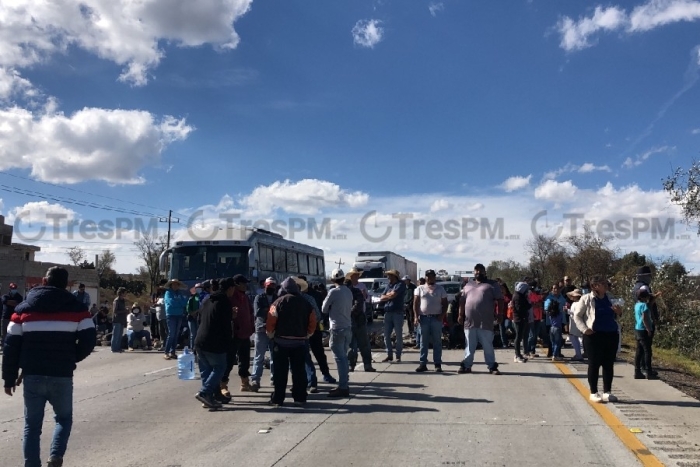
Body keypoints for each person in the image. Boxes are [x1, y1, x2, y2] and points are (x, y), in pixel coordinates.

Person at [2, 266, 96, 467]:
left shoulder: (22, 310)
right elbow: (89, 341)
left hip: (32, 375)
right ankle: (55, 457)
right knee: (63, 419)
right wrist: (70, 358)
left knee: (32, 426)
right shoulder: (78, 310)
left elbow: (10, 346)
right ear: (67, 285)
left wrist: (9, 378)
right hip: (61, 375)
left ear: (44, 282)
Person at [267, 277, 316, 407]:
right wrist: (307, 335)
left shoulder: (277, 303)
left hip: (280, 342)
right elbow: (313, 321)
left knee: (280, 373)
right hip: (299, 343)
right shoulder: (305, 303)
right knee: (299, 372)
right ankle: (300, 397)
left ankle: (278, 398)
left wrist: (271, 335)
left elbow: (270, 321)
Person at [574, 275, 623, 403]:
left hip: (611, 334)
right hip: (593, 336)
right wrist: (584, 329)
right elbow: (577, 316)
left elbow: (618, 314)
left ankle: (607, 392)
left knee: (608, 364)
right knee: (594, 364)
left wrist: (619, 312)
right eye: (603, 283)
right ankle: (594, 392)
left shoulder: (610, 298)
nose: (606, 285)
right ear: (595, 286)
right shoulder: (587, 299)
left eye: (606, 283)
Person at [195, 277, 235, 409]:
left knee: (206, 370)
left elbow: (199, 318)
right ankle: (205, 392)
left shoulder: (208, 300)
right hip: (214, 341)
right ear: (230, 289)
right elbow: (225, 325)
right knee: (219, 367)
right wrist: (229, 343)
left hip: (200, 339)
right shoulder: (224, 302)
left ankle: (209, 398)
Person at [457, 263, 504, 375]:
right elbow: (462, 301)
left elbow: (500, 300)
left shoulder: (492, 284)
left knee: (488, 345)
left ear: (484, 272)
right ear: (474, 272)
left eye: (481, 270)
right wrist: (460, 314)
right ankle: (467, 366)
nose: (478, 272)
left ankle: (492, 366)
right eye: (476, 270)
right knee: (469, 346)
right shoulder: (468, 285)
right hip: (469, 322)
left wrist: (500, 313)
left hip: (486, 322)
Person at [321, 269, 353, 398]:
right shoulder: (348, 291)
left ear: (333, 280)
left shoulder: (333, 292)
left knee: (340, 358)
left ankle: (343, 386)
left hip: (337, 327)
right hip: (347, 326)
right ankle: (344, 384)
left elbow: (324, 308)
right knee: (343, 356)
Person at [222, 274, 254, 395]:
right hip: (234, 334)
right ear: (236, 285)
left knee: (245, 360)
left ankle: (244, 382)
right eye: (243, 283)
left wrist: (251, 326)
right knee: (229, 360)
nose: (246, 286)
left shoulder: (244, 297)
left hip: (245, 333)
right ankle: (223, 384)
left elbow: (250, 312)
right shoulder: (230, 297)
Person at [413, 270, 448, 372]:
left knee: (437, 341)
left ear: (435, 277)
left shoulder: (440, 289)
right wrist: (416, 316)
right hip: (424, 318)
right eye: (428, 276)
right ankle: (422, 363)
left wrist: (442, 315)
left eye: (432, 276)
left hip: (436, 319)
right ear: (426, 277)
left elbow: (445, 304)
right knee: (423, 342)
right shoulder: (419, 289)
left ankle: (437, 364)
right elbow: (415, 303)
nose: (430, 278)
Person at [345, 272, 376, 373]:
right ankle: (351, 365)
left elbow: (359, 304)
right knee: (351, 345)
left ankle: (367, 365)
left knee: (364, 344)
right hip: (348, 321)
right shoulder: (342, 293)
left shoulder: (358, 291)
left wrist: (348, 313)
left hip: (359, 320)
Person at [250, 278, 277, 392]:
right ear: (264, 286)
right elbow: (257, 312)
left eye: (272, 287)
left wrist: (268, 310)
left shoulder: (277, 298)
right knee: (259, 356)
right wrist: (270, 310)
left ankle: (274, 378)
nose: (270, 288)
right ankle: (256, 380)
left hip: (274, 330)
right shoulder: (259, 298)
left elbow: (279, 312)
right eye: (268, 286)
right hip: (261, 329)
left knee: (274, 356)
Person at [632, 266, 659, 377]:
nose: (650, 277)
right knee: (647, 350)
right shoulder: (644, 287)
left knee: (639, 349)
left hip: (638, 327)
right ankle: (647, 370)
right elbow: (648, 307)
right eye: (649, 275)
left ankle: (638, 370)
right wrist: (652, 322)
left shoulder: (636, 288)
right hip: (645, 326)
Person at [379, 269, 406, 363]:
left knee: (398, 335)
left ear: (394, 276)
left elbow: (393, 295)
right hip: (388, 312)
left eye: (390, 275)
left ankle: (398, 355)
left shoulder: (400, 284)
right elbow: (382, 297)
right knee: (386, 335)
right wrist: (388, 296)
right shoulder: (388, 286)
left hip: (397, 312)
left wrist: (388, 295)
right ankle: (389, 355)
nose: (388, 277)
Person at [163, 279, 188, 360]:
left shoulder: (180, 293)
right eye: (173, 284)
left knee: (176, 334)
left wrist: (178, 302)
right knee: (171, 334)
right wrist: (179, 302)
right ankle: (166, 352)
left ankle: (173, 352)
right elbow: (171, 303)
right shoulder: (168, 293)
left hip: (179, 315)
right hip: (171, 315)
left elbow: (185, 303)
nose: (175, 286)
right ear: (171, 285)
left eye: (177, 284)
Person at [545, 284, 567, 362]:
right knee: (554, 341)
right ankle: (552, 353)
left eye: (557, 288)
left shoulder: (562, 298)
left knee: (557, 340)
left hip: (559, 322)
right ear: (551, 289)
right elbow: (546, 309)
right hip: (551, 323)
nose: (556, 290)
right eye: (554, 288)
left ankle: (557, 353)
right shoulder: (549, 298)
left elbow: (565, 307)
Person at [511, 281, 531, 363]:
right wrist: (528, 305)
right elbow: (520, 309)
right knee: (518, 337)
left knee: (520, 337)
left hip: (522, 318)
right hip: (519, 319)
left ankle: (519, 354)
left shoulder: (521, 296)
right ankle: (517, 355)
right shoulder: (518, 297)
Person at [566, 289, 584, 361]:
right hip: (574, 322)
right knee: (575, 338)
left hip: (576, 322)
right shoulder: (577, 303)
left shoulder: (578, 303)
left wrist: (567, 310)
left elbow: (576, 313)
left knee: (574, 338)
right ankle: (578, 354)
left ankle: (578, 354)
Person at [111, 287, 128, 353]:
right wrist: (124, 311)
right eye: (124, 292)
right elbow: (115, 311)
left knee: (120, 335)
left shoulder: (123, 300)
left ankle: (118, 348)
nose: (125, 294)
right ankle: (114, 348)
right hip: (117, 319)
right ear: (121, 293)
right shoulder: (116, 300)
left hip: (122, 320)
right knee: (116, 334)